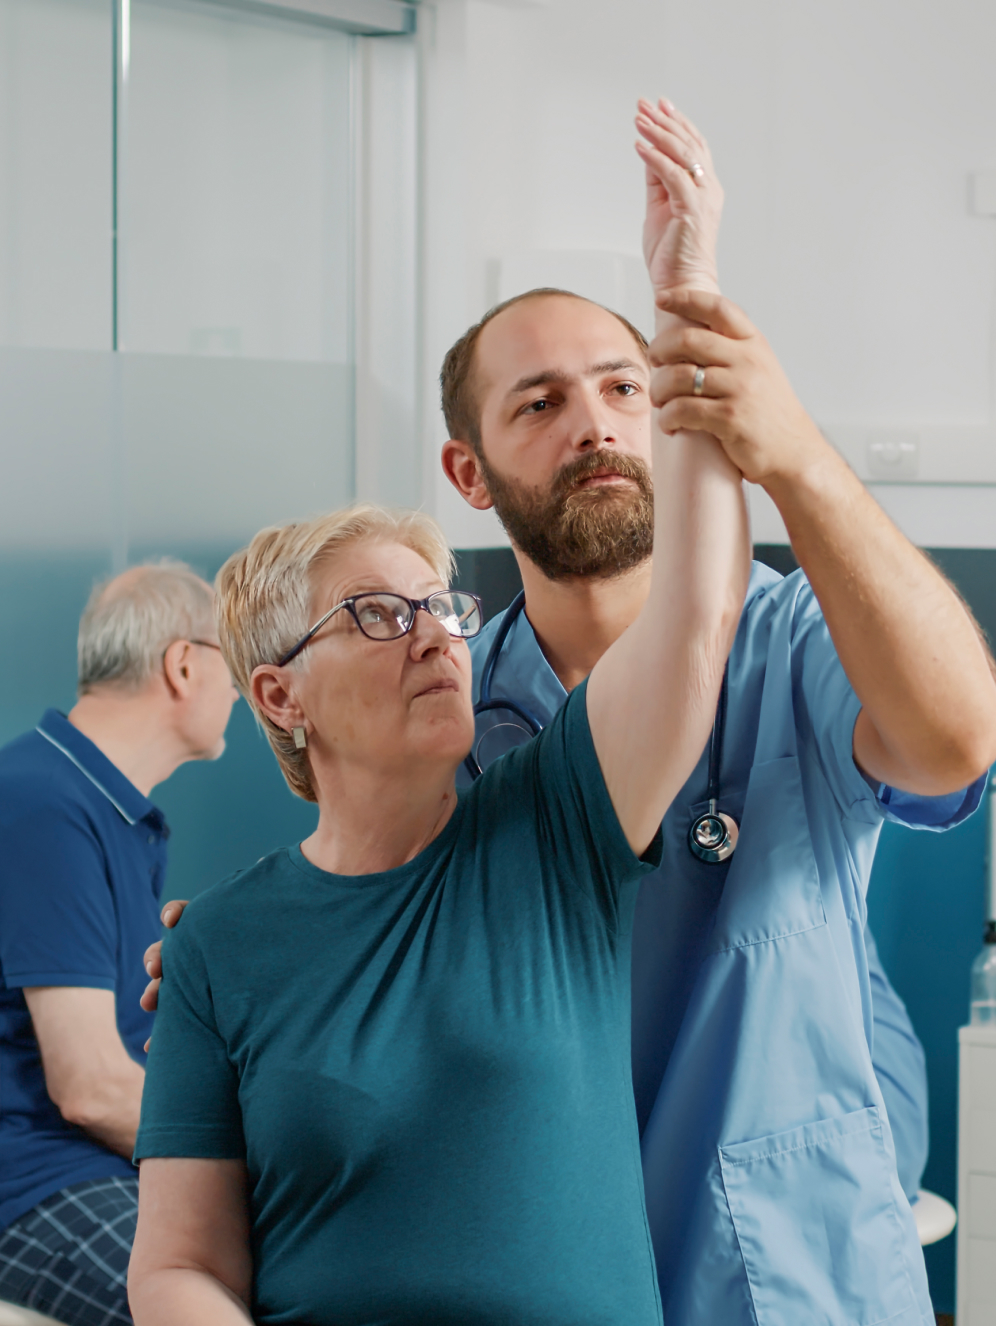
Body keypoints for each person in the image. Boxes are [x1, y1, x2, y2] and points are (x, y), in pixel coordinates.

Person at [432, 102, 996, 1323]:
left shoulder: (791, 641)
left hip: (783, 1272)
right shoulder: (450, 710)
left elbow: (956, 741)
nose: (592, 423)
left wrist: (792, 456)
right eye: (536, 404)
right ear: (467, 473)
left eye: (621, 387)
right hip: (543, 1266)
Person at [126, 323, 750, 1317]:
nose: (433, 637)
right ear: (281, 697)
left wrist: (688, 314)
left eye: (440, 606)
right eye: (377, 615)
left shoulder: (552, 827)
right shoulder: (217, 946)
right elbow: (178, 1265)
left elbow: (697, 616)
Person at [0, 561, 238, 1326]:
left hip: (89, 1166)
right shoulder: (45, 803)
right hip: (35, 1180)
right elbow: (90, 1085)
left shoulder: (111, 813)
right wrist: (252, 1162)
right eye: (232, 665)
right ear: (182, 664)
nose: (240, 692)